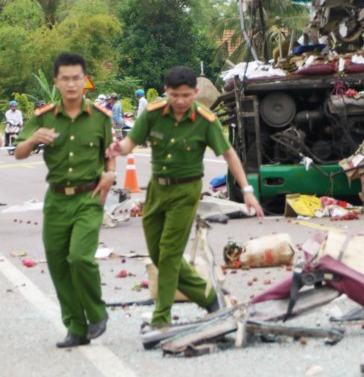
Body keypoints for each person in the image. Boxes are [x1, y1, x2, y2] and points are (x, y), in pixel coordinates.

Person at [106, 66, 264, 328]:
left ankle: (162, 317)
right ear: (166, 92)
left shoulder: (204, 120)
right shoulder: (154, 115)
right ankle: (209, 298)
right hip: (156, 190)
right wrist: (117, 148)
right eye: (175, 95)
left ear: (195, 92)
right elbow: (129, 144)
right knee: (158, 255)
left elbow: (229, 154)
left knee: (169, 253)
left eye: (186, 95)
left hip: (186, 191)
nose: (180, 101)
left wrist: (247, 191)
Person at [15, 53, 116, 348]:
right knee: (59, 265)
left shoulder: (101, 117)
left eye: (77, 78)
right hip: (56, 200)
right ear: (57, 82)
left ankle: (97, 313)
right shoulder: (43, 117)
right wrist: (34, 139)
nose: (72, 84)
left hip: (89, 196)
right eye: (65, 78)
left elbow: (110, 156)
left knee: (80, 258)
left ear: (85, 80)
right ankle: (76, 327)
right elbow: (19, 152)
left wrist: (111, 174)